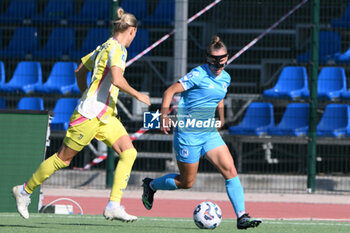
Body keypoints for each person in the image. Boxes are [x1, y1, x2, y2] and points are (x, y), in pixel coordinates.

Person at [12, 7, 150, 222]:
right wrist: (138, 94)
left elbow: (79, 70)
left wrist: (84, 91)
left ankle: (113, 205)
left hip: (105, 116)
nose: (134, 37)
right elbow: (116, 79)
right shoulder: (119, 50)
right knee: (62, 159)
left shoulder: (103, 45)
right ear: (131, 30)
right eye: (135, 34)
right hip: (89, 115)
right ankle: (24, 191)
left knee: (129, 152)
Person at [142, 36, 261, 229]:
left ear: (227, 58)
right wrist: (164, 116)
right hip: (188, 134)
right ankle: (151, 185)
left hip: (208, 133)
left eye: (221, 60)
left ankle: (241, 217)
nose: (217, 64)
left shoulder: (226, 77)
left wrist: (221, 117)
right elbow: (169, 91)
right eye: (213, 60)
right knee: (186, 182)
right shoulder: (197, 74)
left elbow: (219, 97)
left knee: (230, 171)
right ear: (207, 58)